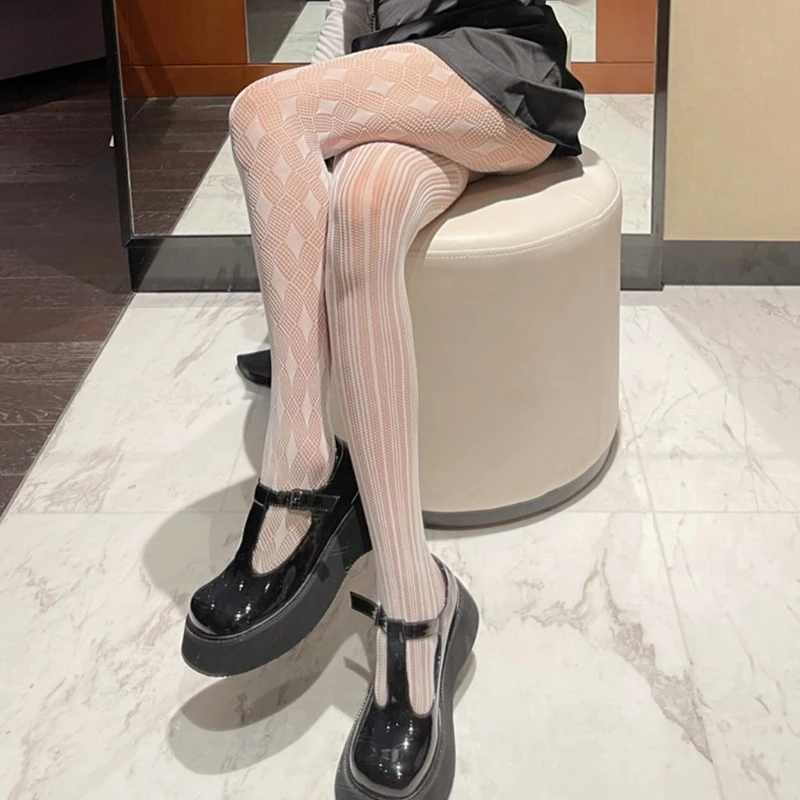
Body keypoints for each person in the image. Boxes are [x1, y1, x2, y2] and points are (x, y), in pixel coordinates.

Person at [183, 0, 585, 796]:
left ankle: (301, 467)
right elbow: (344, 29)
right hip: (405, 89)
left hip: (497, 71)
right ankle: (417, 601)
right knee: (360, 205)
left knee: (265, 111)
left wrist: (310, 114)